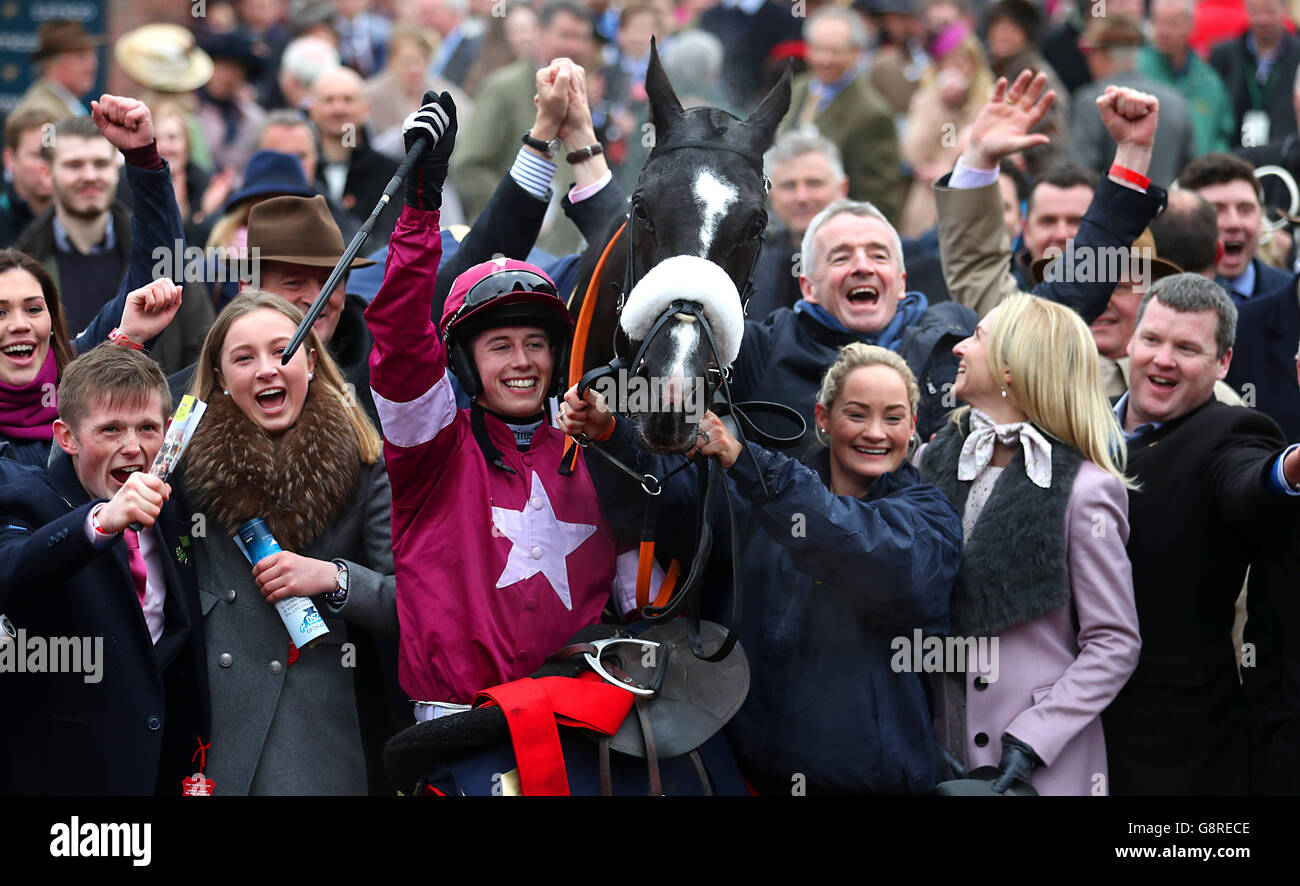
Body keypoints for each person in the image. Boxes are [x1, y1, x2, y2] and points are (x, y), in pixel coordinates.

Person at [559, 343, 963, 794]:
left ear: (912, 428)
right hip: (745, 775)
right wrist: (610, 433)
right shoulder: (760, 492)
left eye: (892, 417)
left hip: (869, 783)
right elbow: (676, 504)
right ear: (823, 418)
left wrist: (747, 463)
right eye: (856, 413)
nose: (875, 432)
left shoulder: (931, 518)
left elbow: (862, 542)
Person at [367, 90, 633, 715]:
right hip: (462, 730)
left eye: (536, 344)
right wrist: (421, 207)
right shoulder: (431, 449)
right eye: (500, 346)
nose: (521, 362)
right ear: (464, 362)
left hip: (584, 725)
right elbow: (402, 338)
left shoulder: (598, 447)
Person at [916, 294, 1141, 795]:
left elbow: (1114, 643)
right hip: (940, 752)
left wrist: (1034, 738)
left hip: (1041, 767)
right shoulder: (933, 460)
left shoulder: (1086, 490)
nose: (959, 349)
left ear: (1011, 369)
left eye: (977, 338)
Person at [178, 291, 398, 795]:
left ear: (313, 361)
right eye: (243, 358)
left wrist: (333, 578)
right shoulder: (181, 464)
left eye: (283, 351)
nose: (266, 370)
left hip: (315, 736)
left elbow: (407, 603)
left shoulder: (366, 464)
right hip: (210, 734)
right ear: (220, 380)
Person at [1103, 273, 1300, 795]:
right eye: (1153, 340)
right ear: (1131, 342)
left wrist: (1292, 470)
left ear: (1223, 364)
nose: (1163, 359)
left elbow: (1247, 484)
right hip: (1060, 726)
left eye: (1187, 348)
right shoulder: (1081, 426)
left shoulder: (1232, 431)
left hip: (1175, 748)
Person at [0, 342, 209, 795]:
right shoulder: (27, 498)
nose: (133, 447)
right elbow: (11, 572)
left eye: (147, 428)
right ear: (67, 437)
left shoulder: (175, 508)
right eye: (111, 430)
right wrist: (99, 522)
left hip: (163, 772)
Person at [934, 72, 1168, 321]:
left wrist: (1133, 153)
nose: (1061, 233)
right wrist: (979, 156)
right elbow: (979, 275)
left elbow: (1081, 287)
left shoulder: (1160, 353)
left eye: (1078, 222)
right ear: (1025, 230)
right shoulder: (1021, 327)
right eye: (1047, 220)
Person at [15, 97, 186, 338]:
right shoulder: (21, 269)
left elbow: (170, 270)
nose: (90, 175)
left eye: (101, 163)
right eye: (74, 165)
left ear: (116, 169)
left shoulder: (149, 251)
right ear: (47, 173)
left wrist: (143, 156)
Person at [0, 251, 181, 467]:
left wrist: (129, 338)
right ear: (65, 435)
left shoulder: (76, 361)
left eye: (33, 309)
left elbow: (160, 262)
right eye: (0, 313)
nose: (20, 324)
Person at [781, 6, 904, 222]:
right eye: (818, 49)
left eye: (835, 51)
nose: (825, 60)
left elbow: (877, 200)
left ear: (856, 53)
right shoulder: (799, 87)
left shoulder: (872, 114)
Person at [1070, 15, 1196, 190]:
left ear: (1101, 54)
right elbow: (1189, 170)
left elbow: (1081, 173)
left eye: (1088, 51)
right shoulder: (1176, 100)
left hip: (1110, 214)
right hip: (1166, 212)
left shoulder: (1093, 101)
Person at [897, 27, 992, 238]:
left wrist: (948, 171)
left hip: (970, 204)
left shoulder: (989, 104)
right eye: (948, 63)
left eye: (962, 62)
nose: (956, 70)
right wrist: (939, 107)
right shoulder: (926, 101)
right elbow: (911, 154)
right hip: (927, 205)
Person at [1177, 152, 1292, 303]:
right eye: (1215, 211)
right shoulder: (1155, 288)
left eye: (1245, 209)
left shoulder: (1292, 295)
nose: (1234, 223)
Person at [1138, 0, 1238, 156]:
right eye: (1158, 22)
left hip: (1200, 175)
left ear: (1190, 26)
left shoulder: (1208, 81)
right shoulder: (1137, 71)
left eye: (1173, 24)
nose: (1164, 31)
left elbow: (1223, 133)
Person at [1210, 0, 1300, 148]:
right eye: (1256, 12)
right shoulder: (1224, 55)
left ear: (1285, 9)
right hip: (1235, 152)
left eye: (1270, 12)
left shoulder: (1297, 55)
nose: (1263, 20)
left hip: (1286, 153)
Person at [13, 20, 102, 121]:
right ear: (53, 64)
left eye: (93, 57)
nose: (92, 66)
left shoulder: (63, 106)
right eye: (81, 57)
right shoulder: (42, 114)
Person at [1, 108, 58, 248]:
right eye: (38, 155)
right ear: (10, 159)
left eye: (53, 154)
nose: (48, 165)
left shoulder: (78, 217)